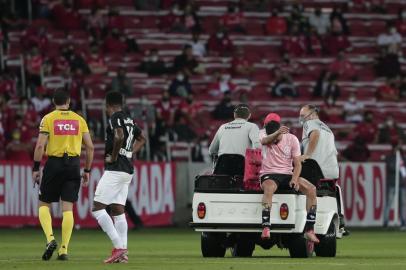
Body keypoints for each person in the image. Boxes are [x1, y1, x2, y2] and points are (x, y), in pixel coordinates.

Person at [32, 89, 94, 261]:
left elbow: (39, 146)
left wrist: (36, 169)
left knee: (44, 203)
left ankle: (50, 239)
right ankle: (64, 249)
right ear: (68, 101)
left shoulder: (48, 119)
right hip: (73, 165)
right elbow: (90, 147)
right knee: (68, 208)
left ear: (54, 101)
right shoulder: (79, 120)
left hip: (54, 163)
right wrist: (87, 170)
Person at [92, 91, 146, 264]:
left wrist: (114, 156)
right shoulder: (130, 119)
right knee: (118, 210)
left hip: (115, 169)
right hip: (127, 170)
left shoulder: (115, 117)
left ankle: (118, 247)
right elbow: (142, 138)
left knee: (98, 208)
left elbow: (119, 135)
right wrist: (129, 153)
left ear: (108, 105)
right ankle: (123, 255)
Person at [259, 113, 319, 242]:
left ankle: (309, 229)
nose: (275, 141)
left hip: (287, 174)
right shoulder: (262, 134)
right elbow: (264, 141)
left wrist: (294, 179)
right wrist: (276, 134)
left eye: (278, 137)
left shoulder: (292, 139)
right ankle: (266, 227)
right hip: (269, 173)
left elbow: (297, 164)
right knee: (269, 188)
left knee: (311, 189)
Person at [299, 105, 349, 235]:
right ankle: (341, 220)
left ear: (312, 113)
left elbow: (315, 135)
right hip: (331, 172)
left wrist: (307, 155)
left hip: (316, 170)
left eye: (303, 115)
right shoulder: (327, 128)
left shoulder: (310, 123)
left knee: (294, 179)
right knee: (337, 189)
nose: (301, 118)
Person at [208, 104, 260, 176]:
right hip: (242, 167)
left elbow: (211, 150)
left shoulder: (223, 127)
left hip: (222, 167)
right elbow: (257, 146)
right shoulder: (252, 126)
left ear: (234, 115)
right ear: (249, 115)